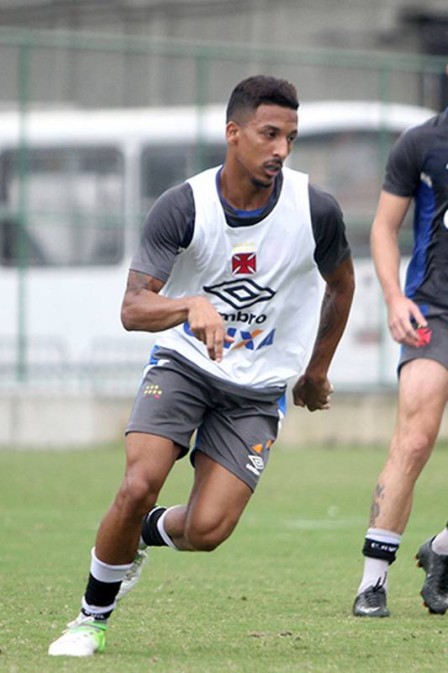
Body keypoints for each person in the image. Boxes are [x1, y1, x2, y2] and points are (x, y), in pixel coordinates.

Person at [48, 74, 355, 657]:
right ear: (233, 133)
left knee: (208, 530)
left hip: (258, 388)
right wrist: (189, 305)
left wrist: (316, 371)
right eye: (269, 134)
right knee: (139, 483)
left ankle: (142, 533)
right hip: (184, 366)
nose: (281, 150)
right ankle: (90, 618)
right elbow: (133, 308)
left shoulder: (314, 209)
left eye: (290, 138)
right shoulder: (184, 206)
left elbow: (342, 284)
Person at [352, 106, 448, 618]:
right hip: (434, 309)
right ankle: (372, 583)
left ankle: (442, 549)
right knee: (414, 439)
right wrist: (394, 298)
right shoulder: (421, 143)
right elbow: (384, 227)